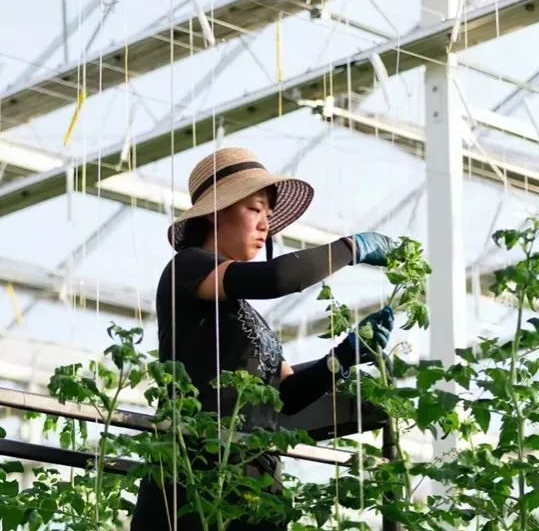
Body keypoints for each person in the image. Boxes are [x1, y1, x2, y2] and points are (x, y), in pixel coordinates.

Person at [131, 147, 396, 531]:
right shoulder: (187, 268)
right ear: (215, 211)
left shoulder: (248, 318)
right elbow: (278, 279)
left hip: (252, 482)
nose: (264, 226)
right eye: (255, 209)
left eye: (269, 215)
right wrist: (351, 248)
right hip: (198, 472)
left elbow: (286, 395)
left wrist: (347, 355)